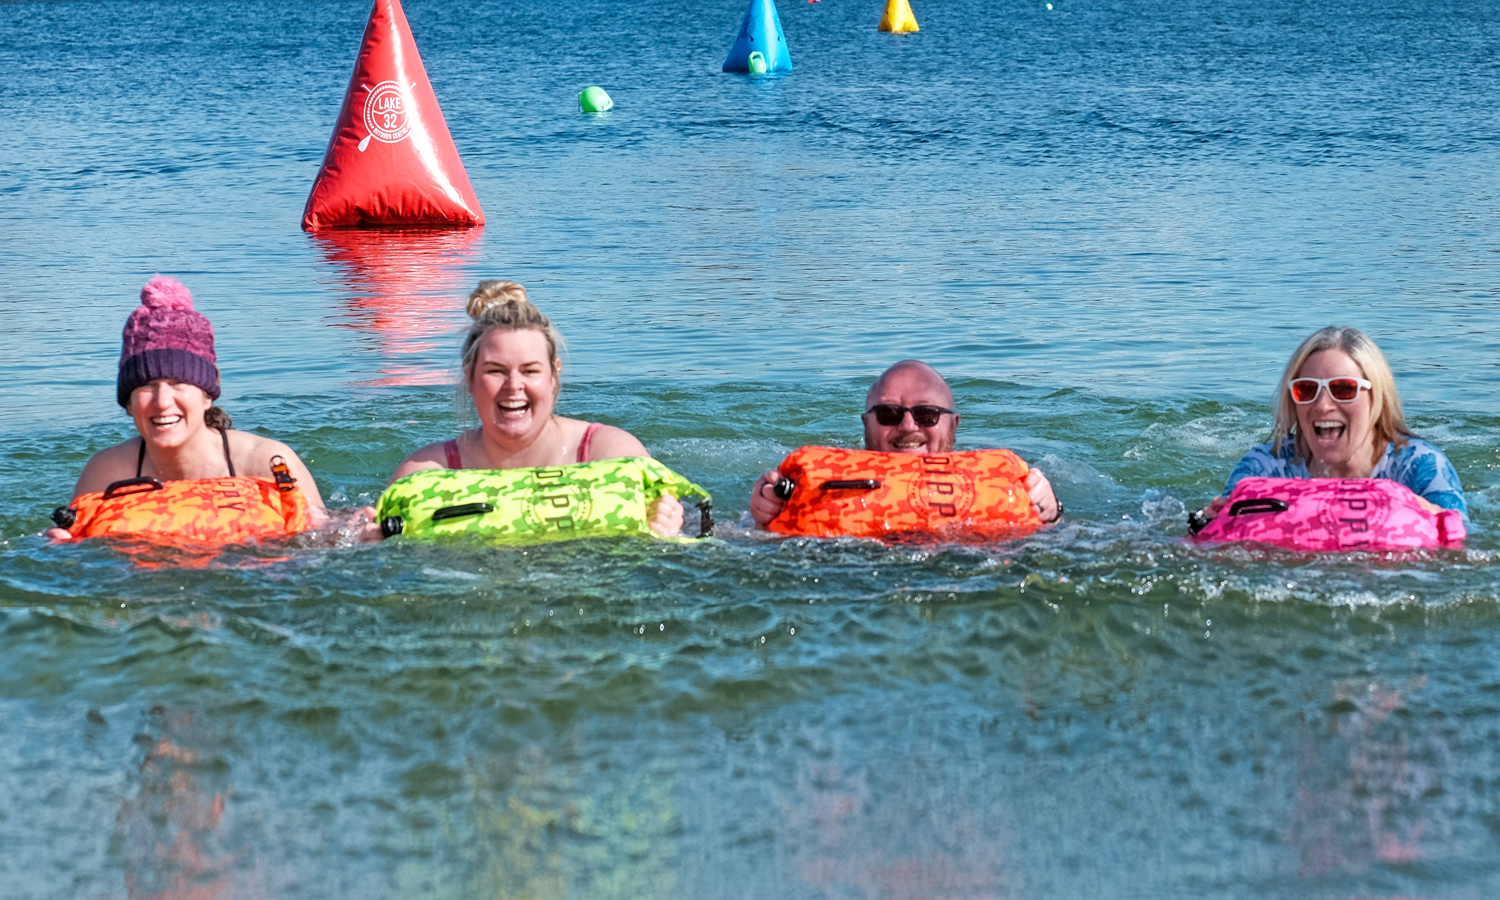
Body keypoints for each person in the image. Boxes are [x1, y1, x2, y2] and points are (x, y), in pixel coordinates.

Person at [384, 279, 685, 536]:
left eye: (530, 371)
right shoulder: (428, 470)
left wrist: (668, 522)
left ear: (554, 376)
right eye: (495, 370)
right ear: (470, 378)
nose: (513, 385)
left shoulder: (609, 454)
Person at [45, 276, 328, 540]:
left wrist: (359, 534)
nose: (162, 401)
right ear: (128, 402)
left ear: (208, 394)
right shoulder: (109, 472)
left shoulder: (267, 462)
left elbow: (326, 536)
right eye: (146, 385)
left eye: (179, 382)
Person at [1196, 326, 1466, 524]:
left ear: (1377, 398)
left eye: (1343, 389)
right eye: (1306, 390)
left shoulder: (1421, 467)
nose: (1323, 405)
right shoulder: (1264, 467)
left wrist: (1420, 511)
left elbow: (1464, 550)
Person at [749, 360, 1062, 527]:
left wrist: (1052, 512)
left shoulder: (1001, 482)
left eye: (927, 414)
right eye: (888, 413)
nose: (908, 426)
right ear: (865, 424)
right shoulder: (815, 482)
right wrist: (762, 515)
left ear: (954, 425)